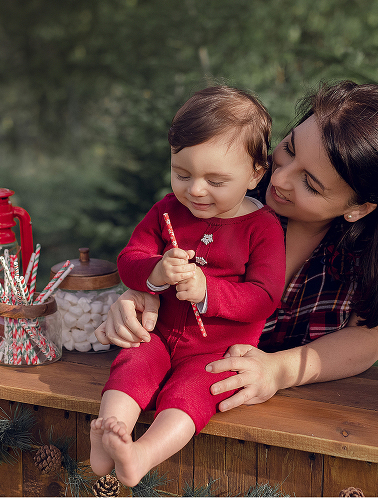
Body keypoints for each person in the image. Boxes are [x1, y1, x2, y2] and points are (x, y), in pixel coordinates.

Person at [96, 79, 378, 459]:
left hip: (302, 419)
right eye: (288, 149)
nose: (279, 179)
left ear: (358, 207)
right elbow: (163, 245)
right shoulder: (235, 174)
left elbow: (371, 334)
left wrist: (278, 370)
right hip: (182, 355)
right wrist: (136, 294)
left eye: (310, 183)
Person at [89, 86, 286, 486]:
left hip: (216, 350)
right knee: (133, 362)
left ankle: (141, 454)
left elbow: (265, 298)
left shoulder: (262, 227)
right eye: (183, 173)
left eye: (216, 180)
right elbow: (129, 260)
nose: (195, 189)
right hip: (158, 335)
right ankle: (109, 434)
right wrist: (155, 272)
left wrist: (208, 291)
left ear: (255, 173)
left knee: (191, 395)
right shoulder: (167, 211)